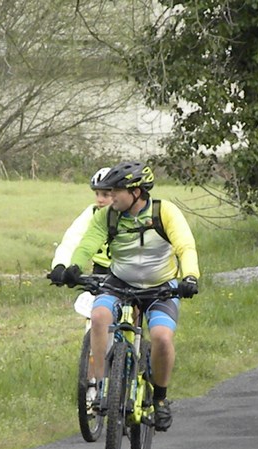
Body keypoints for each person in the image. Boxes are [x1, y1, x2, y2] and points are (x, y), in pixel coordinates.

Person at [50, 161, 200, 431]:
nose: (111, 195)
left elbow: (185, 246)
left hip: (161, 287)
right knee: (98, 317)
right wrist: (72, 268)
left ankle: (160, 399)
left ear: (137, 192)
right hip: (119, 283)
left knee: (162, 338)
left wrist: (189, 277)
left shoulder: (164, 212)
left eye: (117, 190)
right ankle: (102, 387)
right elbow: (88, 243)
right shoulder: (107, 216)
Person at [50, 167, 113, 279]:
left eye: (105, 195)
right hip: (101, 270)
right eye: (97, 194)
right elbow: (72, 240)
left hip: (129, 272)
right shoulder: (93, 212)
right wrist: (60, 265)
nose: (99, 200)